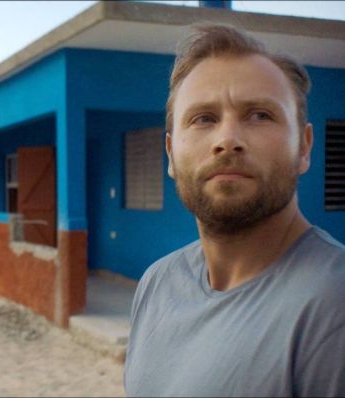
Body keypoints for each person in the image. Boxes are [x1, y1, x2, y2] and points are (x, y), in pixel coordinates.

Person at [124, 23, 345, 397]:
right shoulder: (155, 284)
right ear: (171, 154)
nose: (228, 139)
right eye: (203, 119)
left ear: (304, 147)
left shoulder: (333, 305)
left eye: (260, 115)